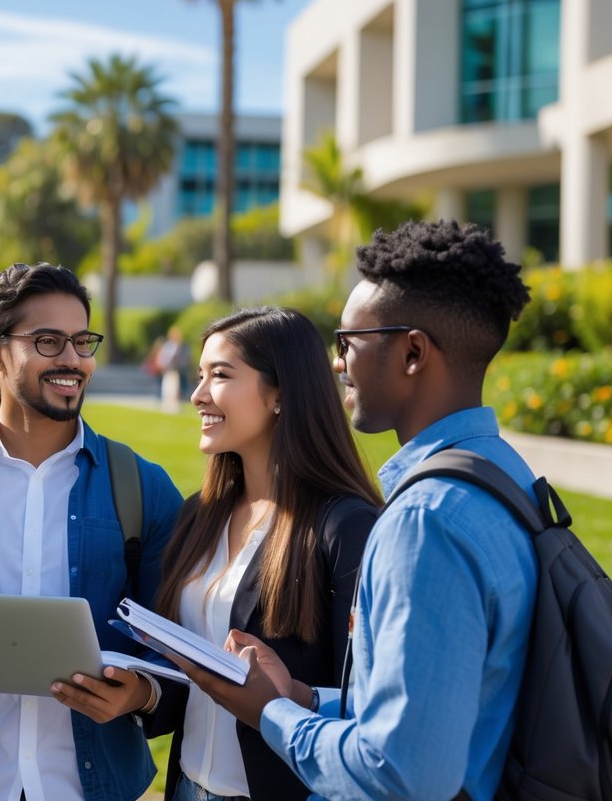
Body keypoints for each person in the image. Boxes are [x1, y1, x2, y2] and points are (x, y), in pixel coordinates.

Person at [173, 220, 538, 800]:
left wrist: (273, 713)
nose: (336, 364)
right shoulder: (507, 475)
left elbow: (403, 772)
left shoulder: (426, 520)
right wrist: (306, 698)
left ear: (413, 351)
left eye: (348, 343)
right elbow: (427, 704)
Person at [0, 262, 184, 801]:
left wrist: (139, 693)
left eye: (82, 341)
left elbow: (175, 645)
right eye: (48, 342)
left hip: (94, 786)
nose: (73, 359)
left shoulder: (143, 489)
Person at [145, 307, 380, 801]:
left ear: (280, 394)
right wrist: (141, 694)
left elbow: (371, 708)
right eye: (200, 376)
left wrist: (290, 697)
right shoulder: (200, 514)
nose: (198, 395)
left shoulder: (344, 526)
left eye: (221, 376)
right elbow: (191, 681)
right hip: (187, 786)